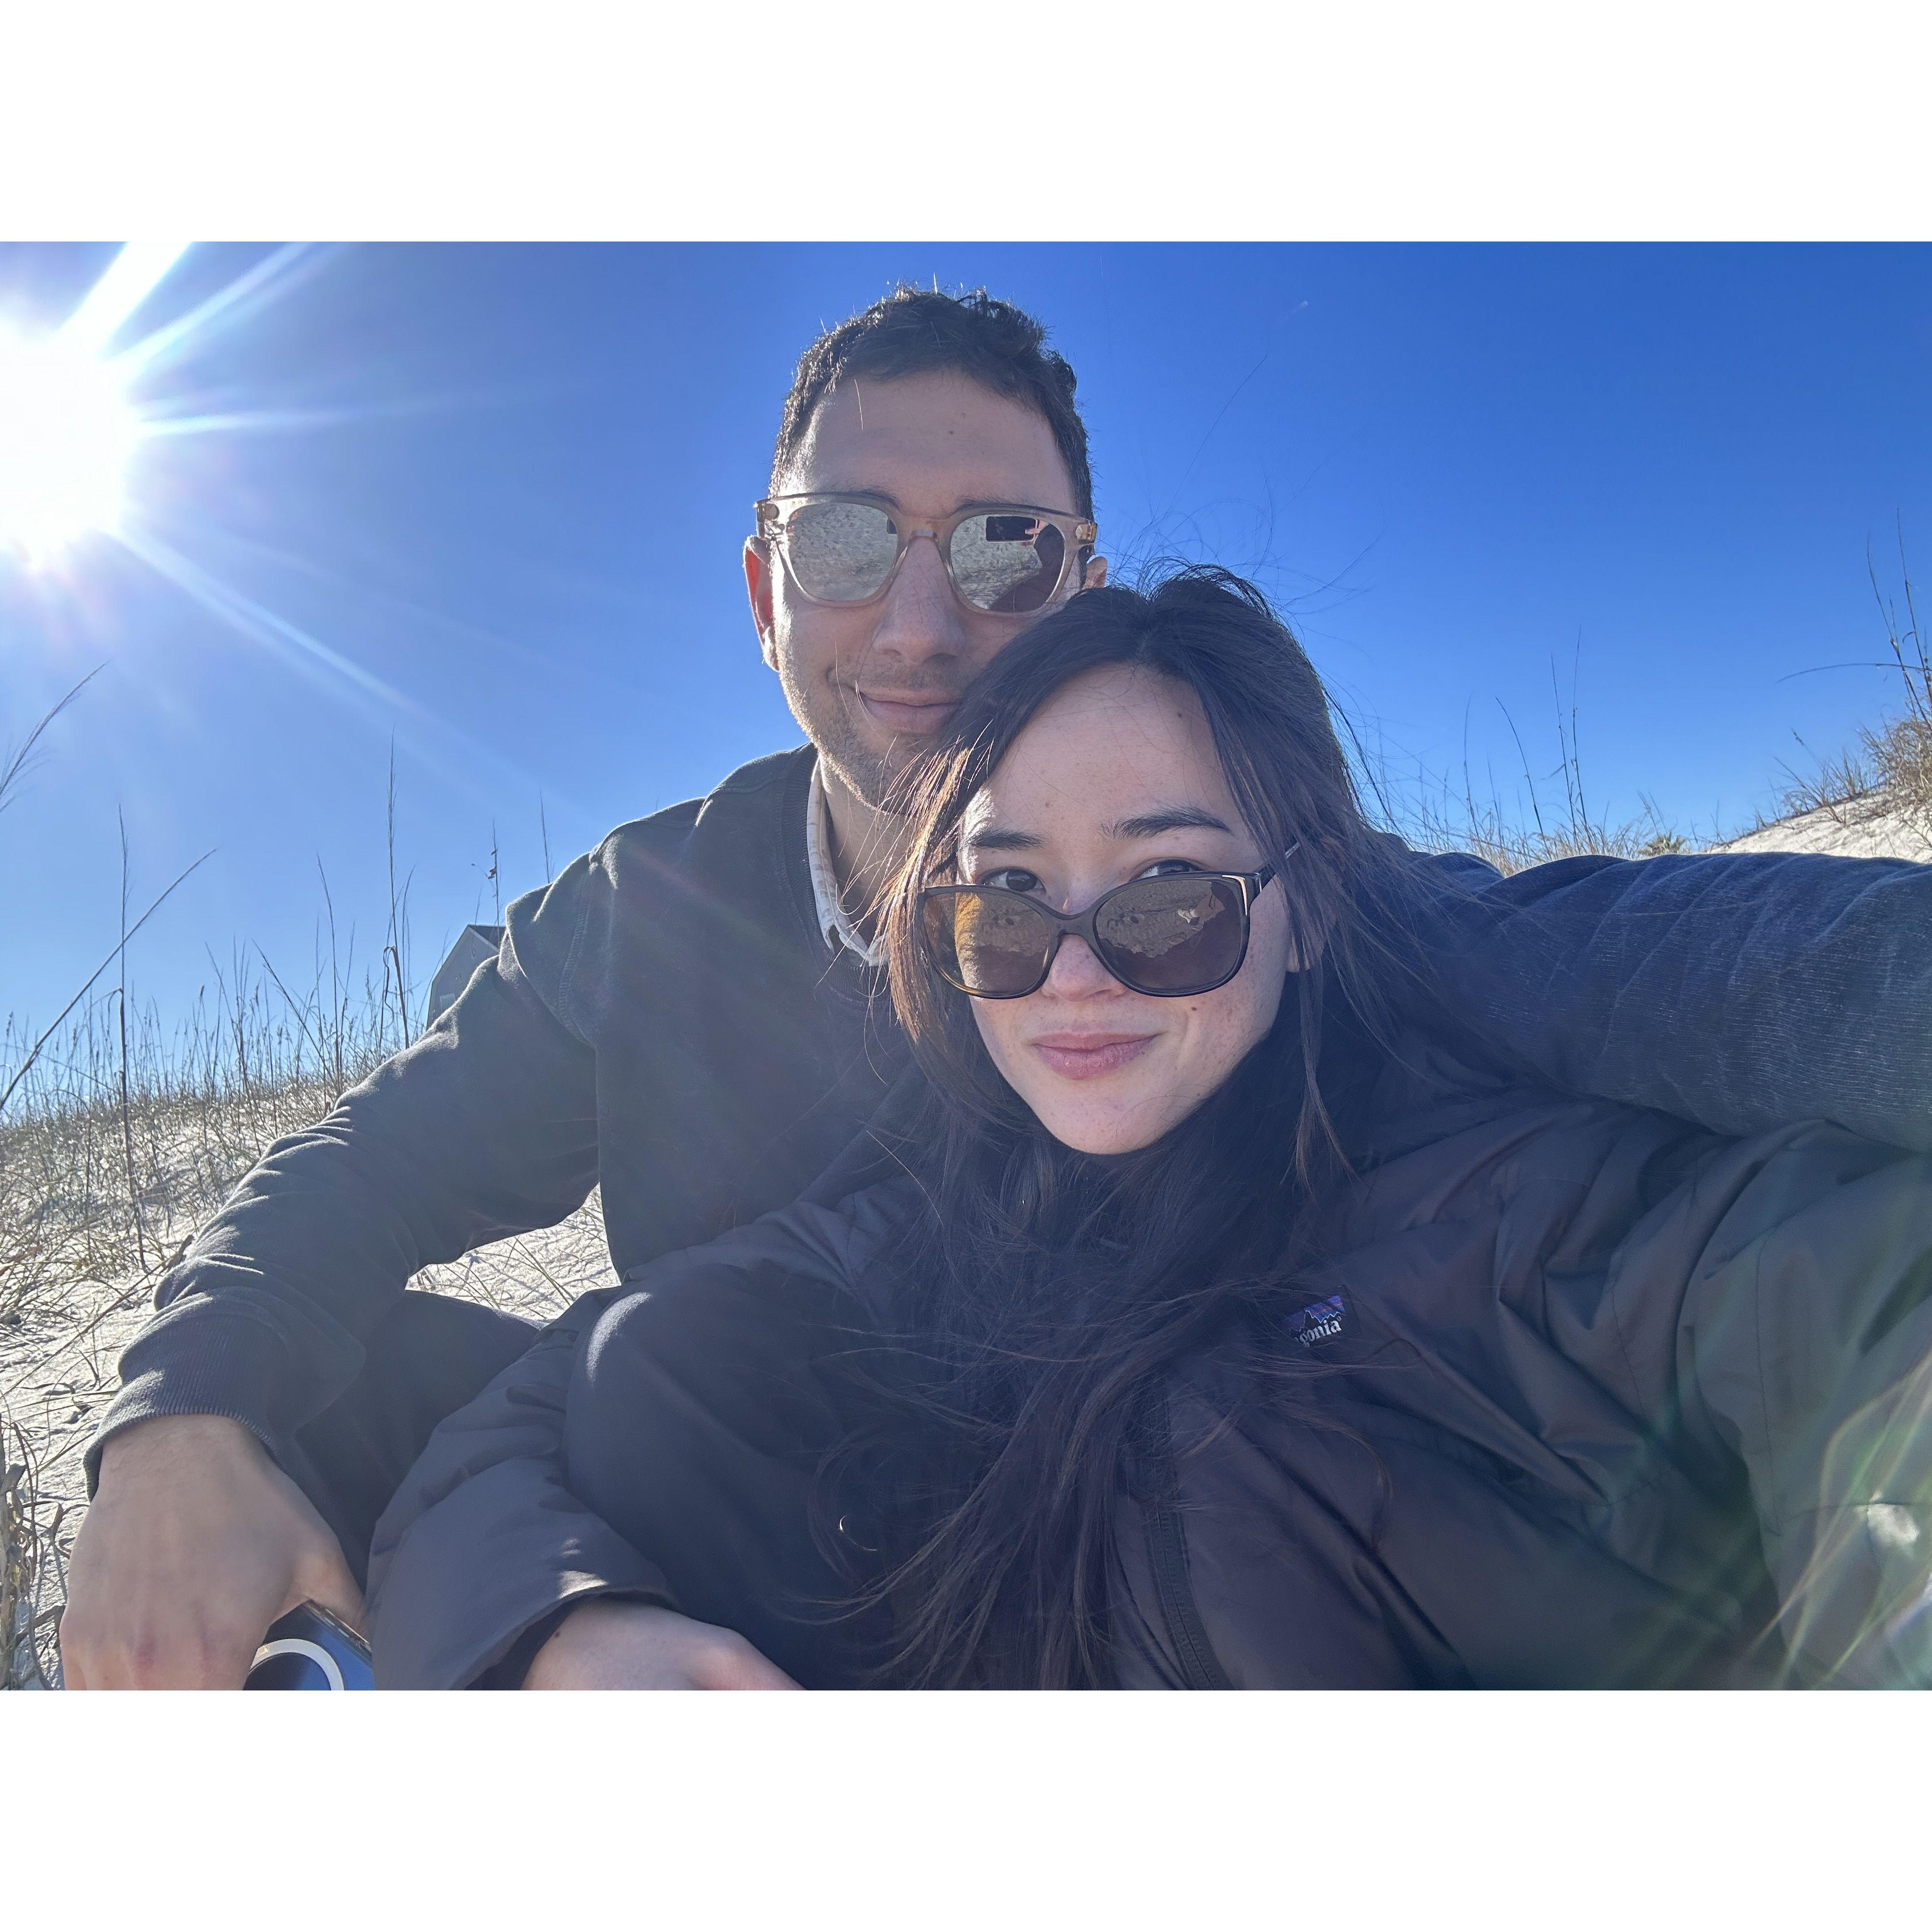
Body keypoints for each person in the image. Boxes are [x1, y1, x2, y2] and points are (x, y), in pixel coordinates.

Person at [61, 288, 1932, 1690]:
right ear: (765, 591)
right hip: (786, 1525)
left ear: (1083, 579)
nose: (922, 620)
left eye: (999, 545)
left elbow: (1632, 959)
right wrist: (179, 1422)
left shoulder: (1299, 911)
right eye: (847, 541)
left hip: (1125, 1522)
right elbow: (366, 1176)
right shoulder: (644, 917)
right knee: (353, 1398)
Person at [367, 571, 1932, 1690]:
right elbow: (536, 1409)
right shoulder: (947, 1209)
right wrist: (559, 1635)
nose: (1072, 977)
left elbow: (1862, 1316)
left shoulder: (1541, 1211)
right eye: (1005, 902)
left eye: (1169, 898)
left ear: (1310, 905)